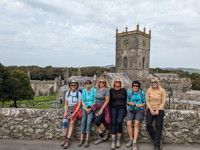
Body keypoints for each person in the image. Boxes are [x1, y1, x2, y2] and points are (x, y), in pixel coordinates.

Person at [61, 80, 82, 149]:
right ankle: (64, 138)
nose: (73, 86)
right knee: (64, 123)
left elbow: (79, 104)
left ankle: (68, 140)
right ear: (70, 86)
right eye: (72, 85)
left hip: (75, 109)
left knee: (72, 123)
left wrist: (74, 113)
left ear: (76, 86)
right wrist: (65, 112)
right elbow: (66, 103)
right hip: (69, 108)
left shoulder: (78, 93)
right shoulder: (68, 93)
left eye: (74, 85)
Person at [146, 78, 166, 150]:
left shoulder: (162, 90)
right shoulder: (149, 90)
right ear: (151, 83)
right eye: (152, 82)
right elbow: (147, 101)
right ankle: (157, 142)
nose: (153, 83)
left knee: (158, 127)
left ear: (157, 82)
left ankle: (155, 145)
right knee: (148, 124)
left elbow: (163, 102)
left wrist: (158, 110)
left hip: (159, 110)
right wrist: (151, 109)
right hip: (151, 109)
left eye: (155, 82)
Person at [126, 81, 146, 150]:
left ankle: (135, 142)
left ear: (139, 87)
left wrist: (141, 105)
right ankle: (131, 139)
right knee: (128, 124)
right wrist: (130, 104)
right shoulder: (130, 92)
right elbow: (127, 101)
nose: (135, 87)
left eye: (136, 86)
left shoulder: (142, 93)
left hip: (139, 110)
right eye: (134, 86)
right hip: (131, 109)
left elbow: (144, 102)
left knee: (136, 124)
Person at [78, 80, 97, 148]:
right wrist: (86, 108)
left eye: (89, 83)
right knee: (83, 122)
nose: (88, 84)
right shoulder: (84, 91)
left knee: (88, 122)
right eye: (87, 83)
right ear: (85, 84)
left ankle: (87, 140)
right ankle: (81, 139)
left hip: (91, 108)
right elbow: (82, 101)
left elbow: (95, 101)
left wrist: (91, 109)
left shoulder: (94, 90)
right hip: (84, 108)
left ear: (91, 84)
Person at [92, 77, 111, 145]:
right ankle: (100, 137)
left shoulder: (106, 90)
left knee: (97, 121)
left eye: (103, 82)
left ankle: (105, 131)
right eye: (100, 82)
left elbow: (107, 100)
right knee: (99, 121)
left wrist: (101, 109)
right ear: (98, 83)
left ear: (105, 83)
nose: (101, 83)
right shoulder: (98, 89)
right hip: (97, 107)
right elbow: (96, 99)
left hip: (104, 107)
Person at [110, 78, 127, 149]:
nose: (117, 83)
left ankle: (118, 141)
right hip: (113, 108)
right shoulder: (111, 90)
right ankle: (113, 141)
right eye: (116, 81)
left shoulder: (123, 90)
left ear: (120, 83)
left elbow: (126, 99)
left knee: (119, 121)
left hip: (122, 108)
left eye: (119, 82)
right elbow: (109, 100)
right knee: (113, 122)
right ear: (114, 82)